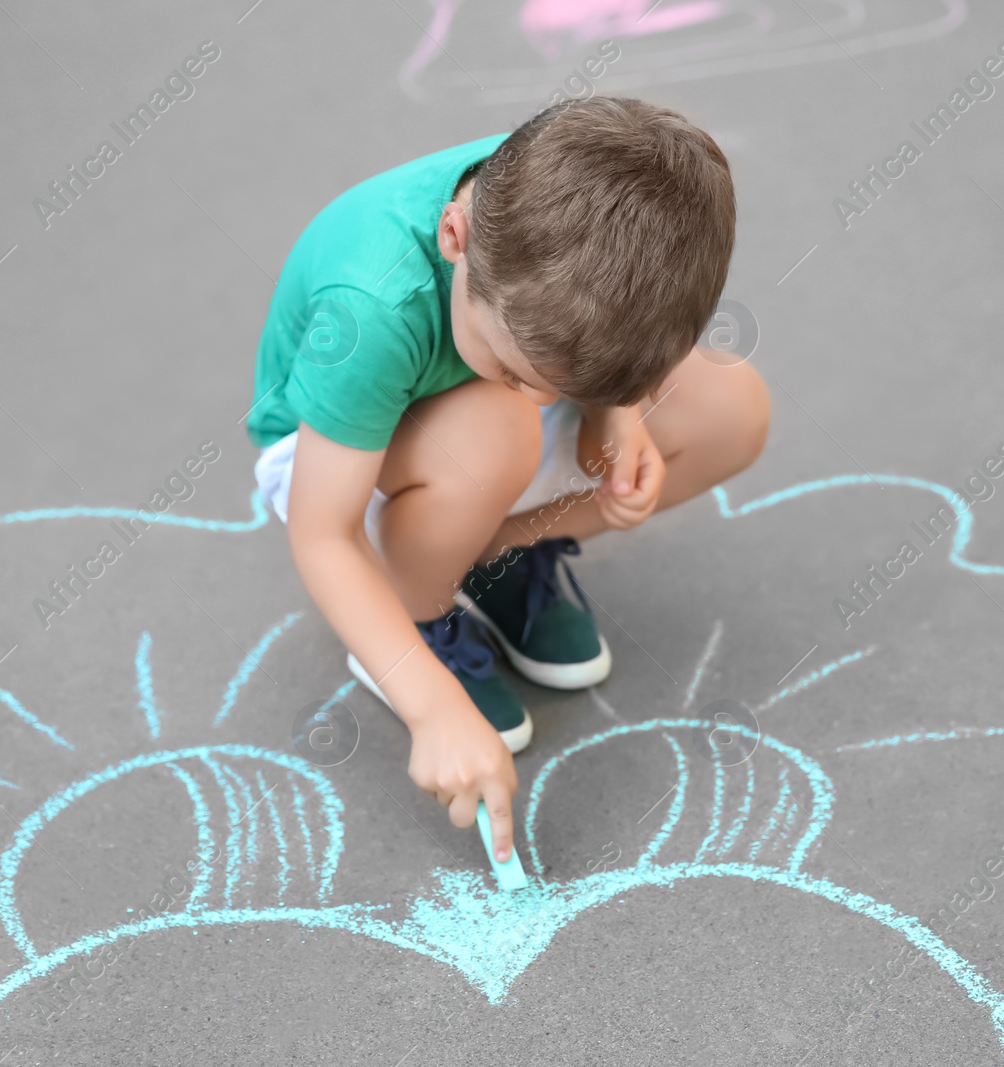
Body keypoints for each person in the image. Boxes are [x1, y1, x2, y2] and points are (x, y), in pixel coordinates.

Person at [247, 96, 769, 866]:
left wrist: (615, 415)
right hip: (331, 448)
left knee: (733, 408)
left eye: (562, 385)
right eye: (519, 369)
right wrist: (431, 707)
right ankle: (416, 612)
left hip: (476, 419)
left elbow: (565, 373)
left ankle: (489, 553)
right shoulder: (373, 303)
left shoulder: (582, 200)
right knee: (500, 428)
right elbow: (322, 535)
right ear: (454, 237)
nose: (548, 399)